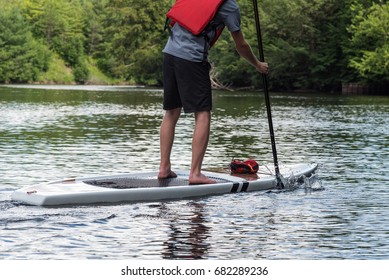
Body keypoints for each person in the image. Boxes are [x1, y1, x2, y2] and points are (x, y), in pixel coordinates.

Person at [158, 0, 269, 184]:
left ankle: (164, 168)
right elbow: (240, 45)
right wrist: (257, 65)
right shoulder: (230, 6)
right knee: (203, 114)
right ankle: (195, 174)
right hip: (192, 59)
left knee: (171, 112)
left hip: (169, 53)